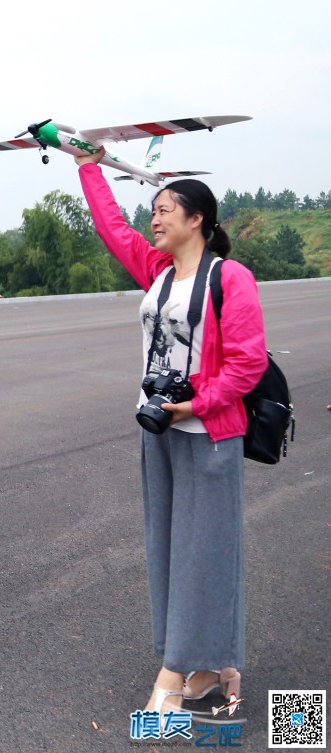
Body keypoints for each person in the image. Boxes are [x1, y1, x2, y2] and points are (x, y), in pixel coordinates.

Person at [75, 147, 265, 713]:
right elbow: (111, 227)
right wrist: (87, 166)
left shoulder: (229, 277)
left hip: (207, 432)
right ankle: (208, 667)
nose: (153, 219)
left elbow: (248, 362)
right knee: (168, 548)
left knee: (204, 552)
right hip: (157, 429)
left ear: (196, 219)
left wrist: (195, 405)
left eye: (165, 209)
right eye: (153, 210)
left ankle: (175, 670)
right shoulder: (157, 273)